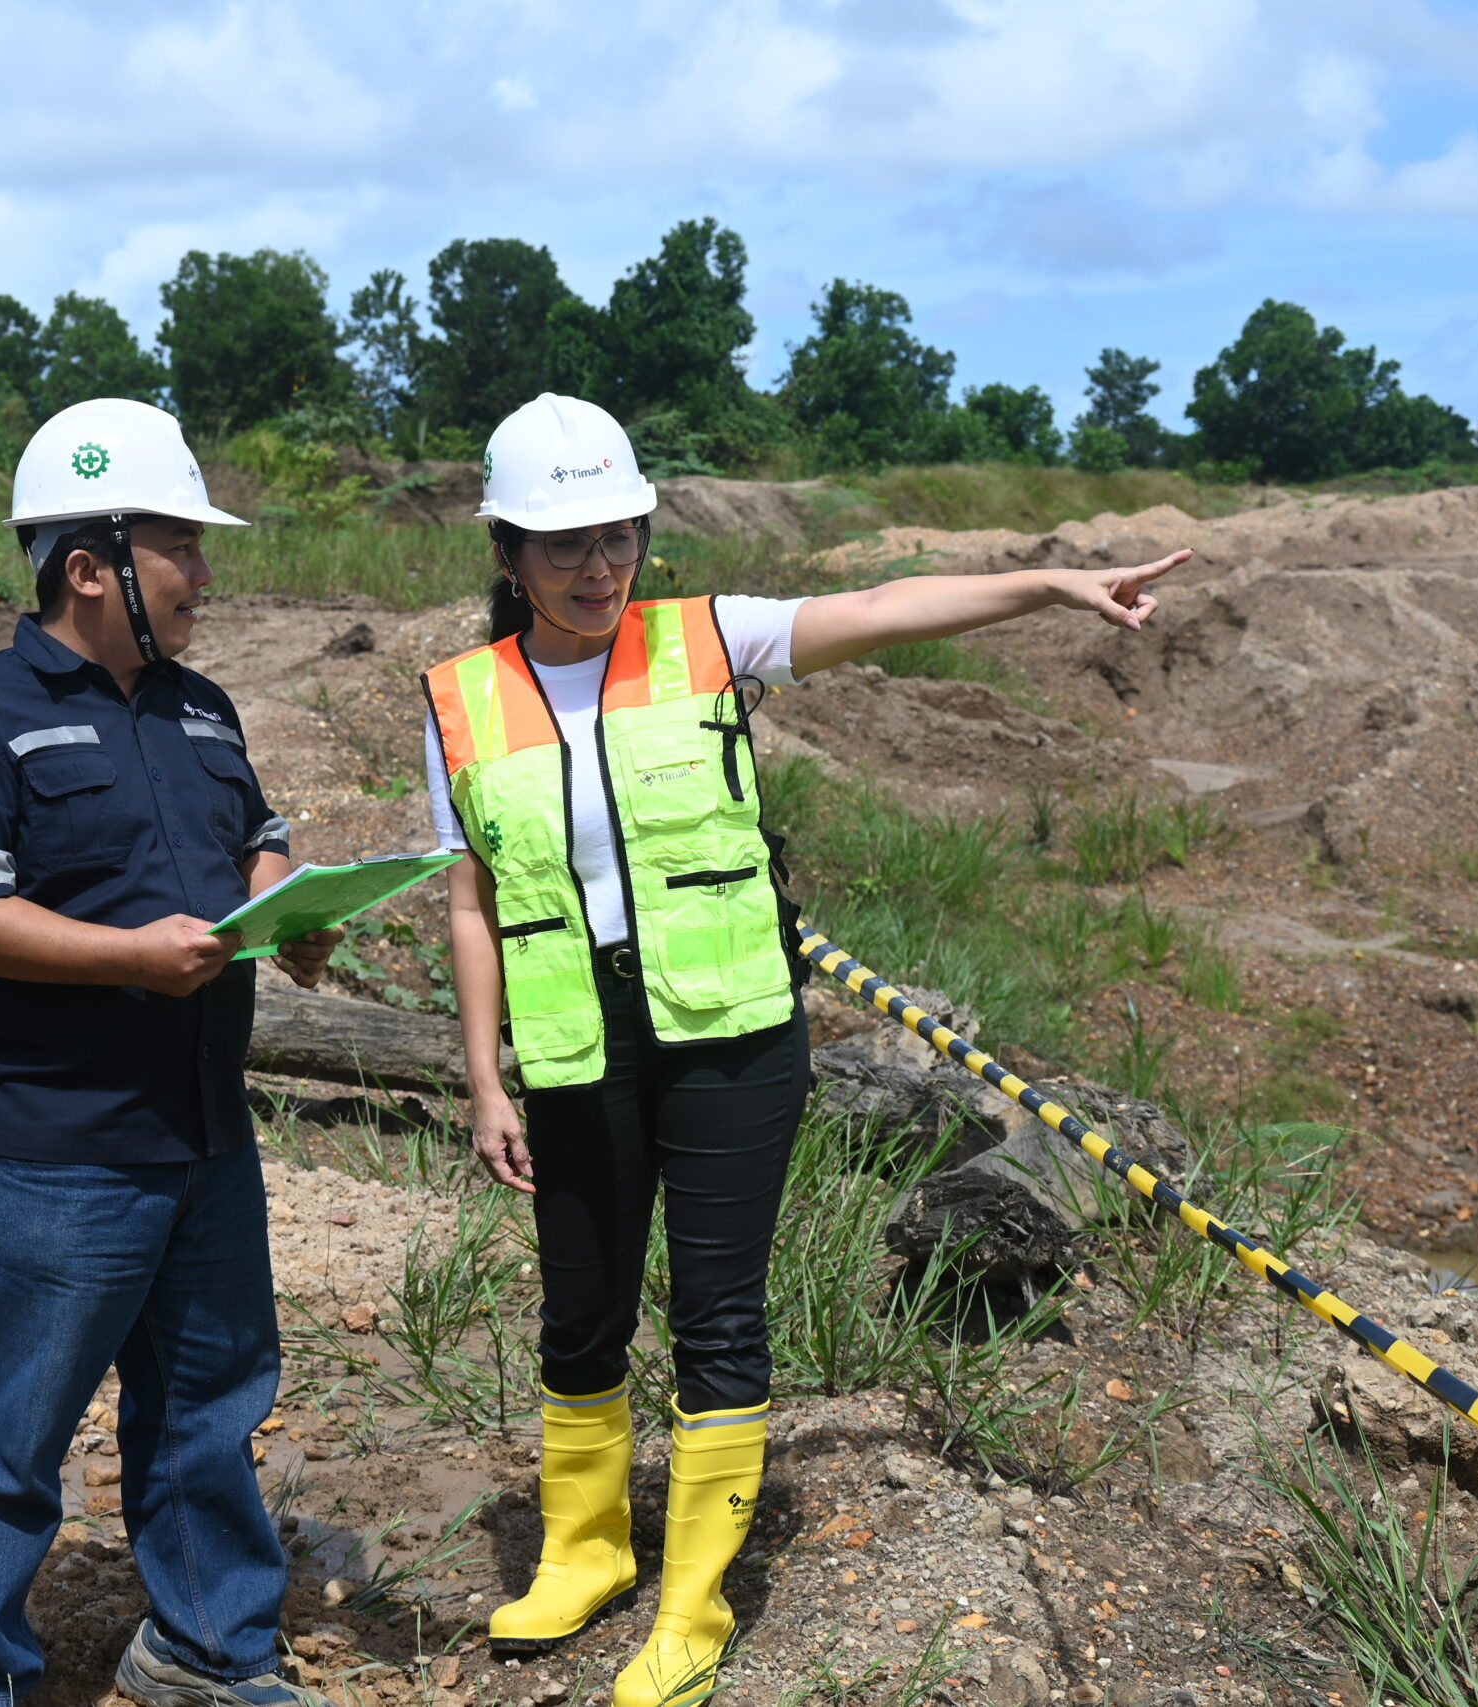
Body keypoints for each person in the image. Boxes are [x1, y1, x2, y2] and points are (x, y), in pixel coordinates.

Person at [422, 393, 1188, 1707]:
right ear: (507, 552)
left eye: (619, 536)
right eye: (564, 545)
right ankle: (586, 1553)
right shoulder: (460, 700)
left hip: (728, 1040)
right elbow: (471, 900)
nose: (598, 567)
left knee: (718, 1310)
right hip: (571, 1042)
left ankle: (693, 1604)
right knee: (584, 1306)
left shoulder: (708, 640)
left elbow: (887, 611)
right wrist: (484, 1074)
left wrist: (1055, 582)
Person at [0, 397, 343, 1707]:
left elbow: (255, 834)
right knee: (11, 1431)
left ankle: (206, 1646)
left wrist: (287, 906)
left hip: (201, 1127)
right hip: (53, 1142)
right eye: (180, 549)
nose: (206, 575)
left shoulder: (201, 710)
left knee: (210, 1399)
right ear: (89, 568)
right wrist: (135, 960)